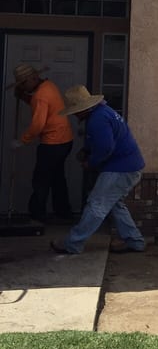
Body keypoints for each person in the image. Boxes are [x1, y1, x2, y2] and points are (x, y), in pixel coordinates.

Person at [50, 85, 146, 255]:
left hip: (120, 169)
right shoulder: (103, 112)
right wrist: (87, 150)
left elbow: (105, 147)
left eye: (75, 111)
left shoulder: (97, 119)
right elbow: (102, 141)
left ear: (82, 109)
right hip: (129, 166)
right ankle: (134, 241)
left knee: (96, 205)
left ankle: (73, 243)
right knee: (115, 205)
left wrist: (91, 162)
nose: (74, 115)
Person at [9, 63, 74, 222]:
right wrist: (24, 96)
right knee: (57, 178)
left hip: (53, 143)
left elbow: (38, 124)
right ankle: (63, 213)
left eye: (23, 84)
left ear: (32, 78)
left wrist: (22, 141)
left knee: (41, 180)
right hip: (64, 141)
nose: (23, 87)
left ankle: (37, 216)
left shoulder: (41, 95)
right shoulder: (48, 86)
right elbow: (39, 104)